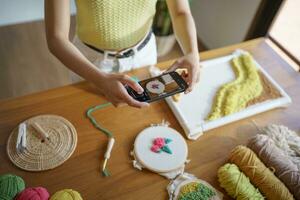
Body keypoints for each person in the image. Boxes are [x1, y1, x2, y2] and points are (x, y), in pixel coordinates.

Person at [45, 0, 200, 108]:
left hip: (144, 55)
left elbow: (180, 12)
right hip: (91, 63)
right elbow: (56, 39)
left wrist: (192, 52)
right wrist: (100, 80)